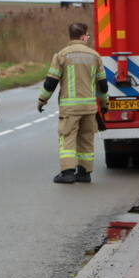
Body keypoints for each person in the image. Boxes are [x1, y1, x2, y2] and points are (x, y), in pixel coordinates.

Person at [37, 22, 108, 184]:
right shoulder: (94, 56)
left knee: (67, 137)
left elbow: (51, 82)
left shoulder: (61, 56)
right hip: (89, 108)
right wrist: (105, 104)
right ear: (83, 36)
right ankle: (84, 173)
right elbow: (103, 85)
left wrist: (42, 100)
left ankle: (68, 172)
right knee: (86, 139)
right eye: (87, 35)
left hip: (70, 109)